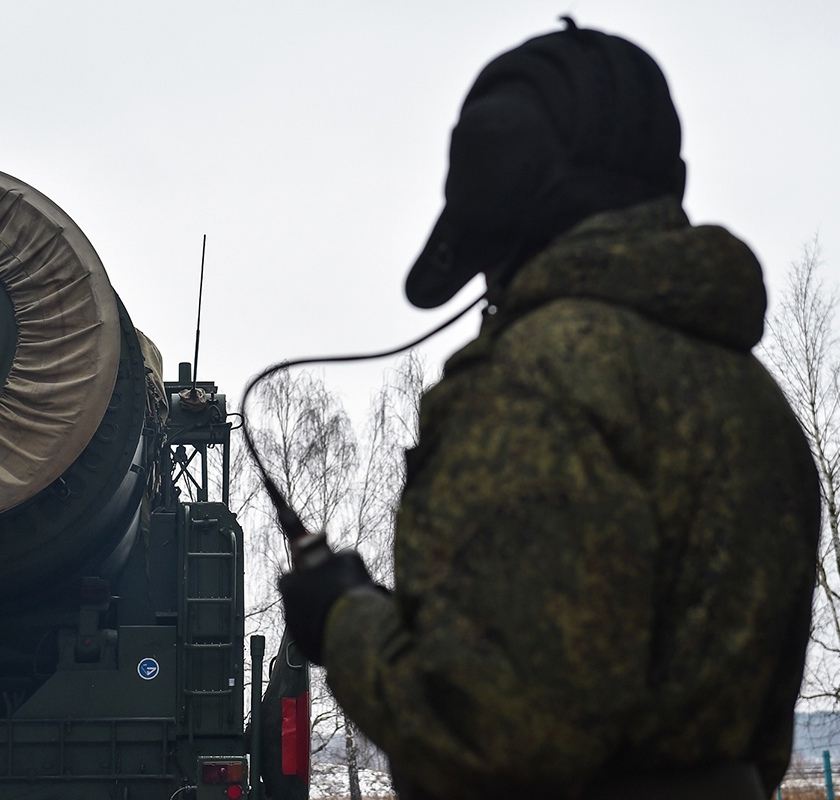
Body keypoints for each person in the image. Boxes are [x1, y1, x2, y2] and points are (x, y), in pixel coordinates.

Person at [278, 19, 821, 800]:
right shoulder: (749, 394)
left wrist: (345, 620)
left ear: (494, 183)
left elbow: (498, 735)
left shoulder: (539, 381)